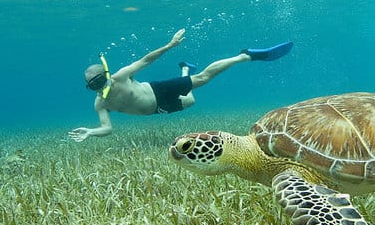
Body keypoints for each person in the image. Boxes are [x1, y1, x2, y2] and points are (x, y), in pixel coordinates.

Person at [68, 28, 293, 142]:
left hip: (158, 89)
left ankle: (244, 56)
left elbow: (146, 60)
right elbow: (107, 128)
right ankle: (185, 68)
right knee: (191, 101)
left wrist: (170, 44)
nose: (99, 87)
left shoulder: (120, 77)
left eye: (100, 80)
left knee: (203, 80)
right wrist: (90, 132)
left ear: (106, 74)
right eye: (93, 85)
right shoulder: (101, 103)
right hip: (157, 109)